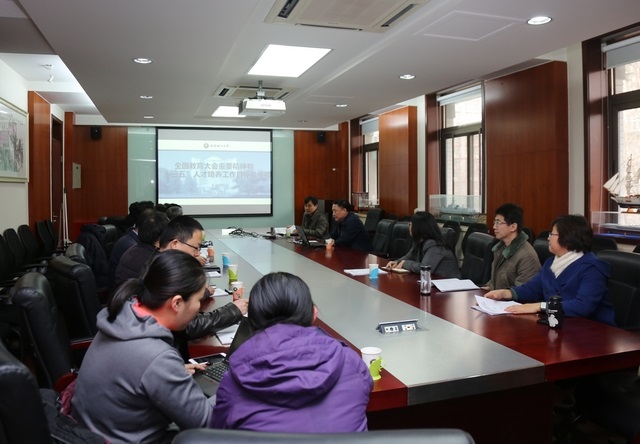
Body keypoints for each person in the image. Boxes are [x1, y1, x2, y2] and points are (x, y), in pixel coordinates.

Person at [72, 250, 213, 443]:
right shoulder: (157, 358)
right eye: (199, 300)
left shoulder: (121, 317)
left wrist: (173, 372)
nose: (198, 308)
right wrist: (234, 384)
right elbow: (206, 423)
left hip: (93, 433)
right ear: (177, 303)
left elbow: (134, 369)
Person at [211, 272, 373, 432]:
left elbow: (218, 434)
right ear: (314, 314)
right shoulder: (350, 362)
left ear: (251, 322)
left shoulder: (234, 381)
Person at [485, 214, 615, 326]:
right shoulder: (551, 263)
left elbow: (583, 306)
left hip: (592, 331)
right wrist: (507, 293)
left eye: (552, 234)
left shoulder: (592, 268)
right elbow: (533, 288)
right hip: (560, 325)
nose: (548, 238)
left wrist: (540, 306)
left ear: (568, 238)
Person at [386, 211, 460, 278]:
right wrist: (396, 262)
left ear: (418, 228)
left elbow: (424, 268)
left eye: (411, 224)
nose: (409, 227)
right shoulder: (419, 242)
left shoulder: (435, 245)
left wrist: (405, 263)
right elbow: (408, 257)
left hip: (449, 285)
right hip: (432, 281)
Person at [484, 203, 540, 290]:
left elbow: (523, 292)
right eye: (494, 222)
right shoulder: (500, 248)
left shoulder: (527, 256)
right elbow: (494, 282)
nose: (494, 227)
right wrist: (484, 289)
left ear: (513, 227)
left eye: (498, 223)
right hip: (496, 297)